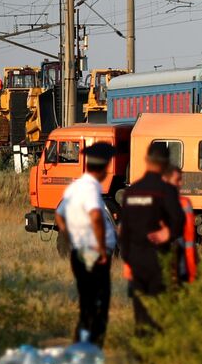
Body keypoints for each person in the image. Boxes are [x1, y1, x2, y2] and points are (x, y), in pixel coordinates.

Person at [118, 142, 185, 333]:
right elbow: (178, 221)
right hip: (158, 258)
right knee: (157, 309)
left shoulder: (131, 192)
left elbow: (124, 230)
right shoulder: (166, 191)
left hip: (136, 260)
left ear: (146, 161)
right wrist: (169, 234)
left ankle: (142, 351)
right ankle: (156, 351)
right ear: (165, 164)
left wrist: (128, 258)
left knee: (140, 311)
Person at [57, 143, 117, 346]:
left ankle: (81, 344)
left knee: (87, 303)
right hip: (93, 253)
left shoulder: (76, 186)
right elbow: (96, 217)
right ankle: (92, 348)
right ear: (103, 168)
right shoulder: (91, 188)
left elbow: (59, 215)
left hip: (80, 251)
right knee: (98, 304)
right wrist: (100, 247)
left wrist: (71, 237)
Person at [162, 164, 199, 285]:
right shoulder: (155, 203)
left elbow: (190, 239)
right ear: (165, 180)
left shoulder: (184, 203)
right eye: (177, 180)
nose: (180, 184)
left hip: (182, 264)